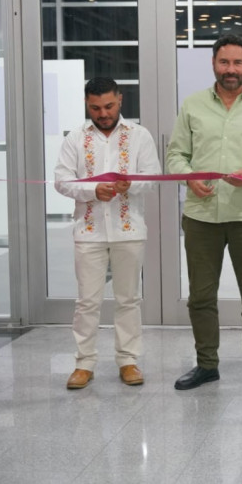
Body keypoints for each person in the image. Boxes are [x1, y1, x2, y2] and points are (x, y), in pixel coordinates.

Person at [166, 34, 242, 392]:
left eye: (237, 63)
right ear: (214, 64)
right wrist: (189, 179)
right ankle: (206, 364)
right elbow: (176, 155)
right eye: (224, 62)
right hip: (202, 216)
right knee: (201, 296)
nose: (230, 70)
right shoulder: (192, 105)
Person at [55, 77, 161, 390]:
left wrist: (132, 184)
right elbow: (61, 180)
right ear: (87, 105)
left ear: (120, 100)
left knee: (129, 298)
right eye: (95, 108)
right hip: (88, 230)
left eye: (109, 106)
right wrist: (91, 190)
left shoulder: (139, 135)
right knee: (87, 301)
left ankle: (128, 360)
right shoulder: (75, 137)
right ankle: (83, 364)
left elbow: (152, 177)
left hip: (129, 228)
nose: (103, 113)